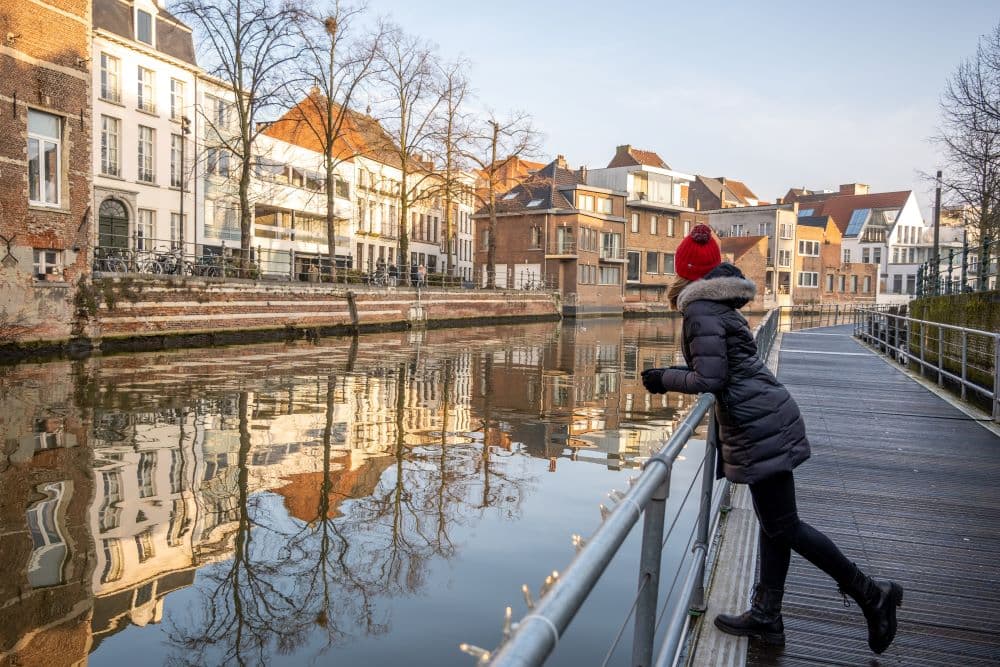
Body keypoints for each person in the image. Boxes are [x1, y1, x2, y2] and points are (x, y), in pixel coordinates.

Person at [640, 224, 902, 654]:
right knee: (777, 525)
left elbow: (712, 376)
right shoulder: (719, 305)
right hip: (765, 417)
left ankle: (873, 595)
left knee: (786, 526)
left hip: (758, 425)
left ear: (684, 271)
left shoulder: (700, 311)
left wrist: (661, 379)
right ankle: (767, 614)